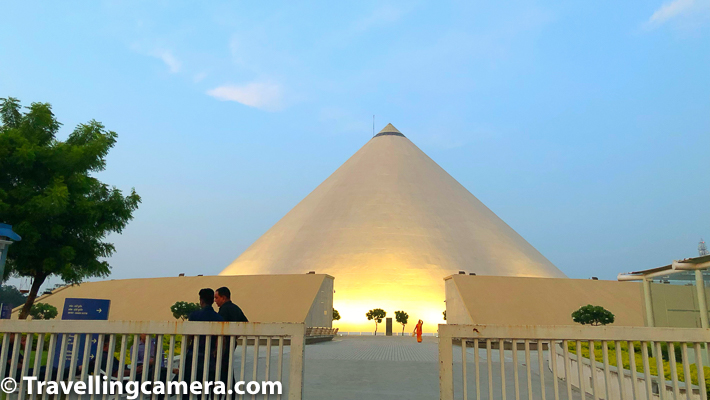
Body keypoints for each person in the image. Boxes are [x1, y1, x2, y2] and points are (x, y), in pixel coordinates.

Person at [181, 288, 223, 400]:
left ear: (201, 300)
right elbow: (219, 342)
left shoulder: (194, 316)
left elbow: (189, 336)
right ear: (212, 300)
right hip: (209, 358)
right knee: (205, 390)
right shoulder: (218, 318)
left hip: (193, 355)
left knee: (187, 388)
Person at [214, 287, 248, 386]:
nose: (215, 301)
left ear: (223, 298)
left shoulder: (224, 309)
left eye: (216, 298)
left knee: (222, 370)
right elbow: (246, 324)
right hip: (231, 343)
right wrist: (235, 336)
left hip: (224, 345)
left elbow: (220, 328)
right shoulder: (236, 308)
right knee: (227, 370)